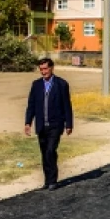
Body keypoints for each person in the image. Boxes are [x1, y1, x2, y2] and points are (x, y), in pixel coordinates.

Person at [24, 58, 73, 190]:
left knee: (51, 151)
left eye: (45, 69)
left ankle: (53, 180)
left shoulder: (61, 84)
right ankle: (47, 181)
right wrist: (28, 122)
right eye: (41, 69)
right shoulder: (36, 85)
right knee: (44, 152)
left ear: (52, 68)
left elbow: (67, 105)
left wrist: (69, 124)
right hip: (41, 125)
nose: (43, 72)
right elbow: (31, 105)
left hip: (55, 125)